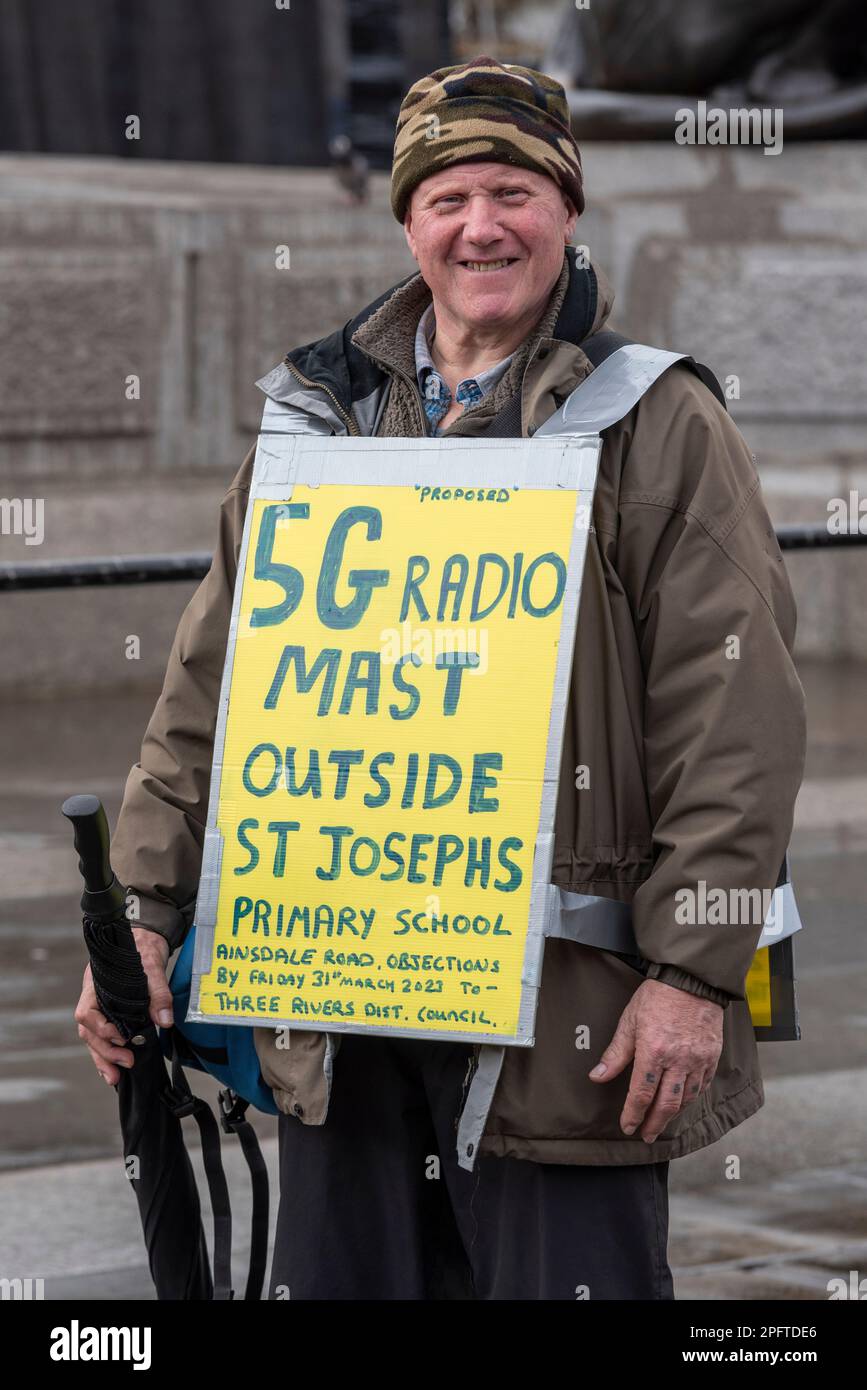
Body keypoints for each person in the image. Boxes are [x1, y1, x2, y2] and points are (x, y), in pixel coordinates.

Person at [74, 56, 806, 1300]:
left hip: (570, 1033)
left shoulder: (660, 422)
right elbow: (206, 693)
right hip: (342, 1016)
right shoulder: (318, 423)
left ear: (567, 210)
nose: (483, 225)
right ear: (408, 219)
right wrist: (138, 916)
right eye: (451, 194)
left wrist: (693, 976)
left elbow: (733, 721)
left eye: (515, 189)